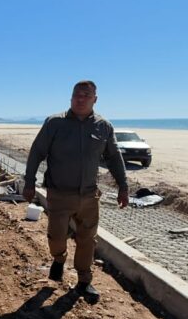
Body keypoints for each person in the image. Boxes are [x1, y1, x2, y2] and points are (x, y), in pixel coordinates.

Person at [22, 80, 129, 304]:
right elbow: (37, 152)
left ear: (95, 99)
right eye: (77, 95)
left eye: (86, 95)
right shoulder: (54, 123)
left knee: (87, 239)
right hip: (59, 194)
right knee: (56, 236)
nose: (80, 99)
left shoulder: (103, 126)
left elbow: (114, 158)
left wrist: (123, 186)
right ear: (71, 97)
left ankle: (84, 280)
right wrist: (29, 182)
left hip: (89, 196)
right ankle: (59, 259)